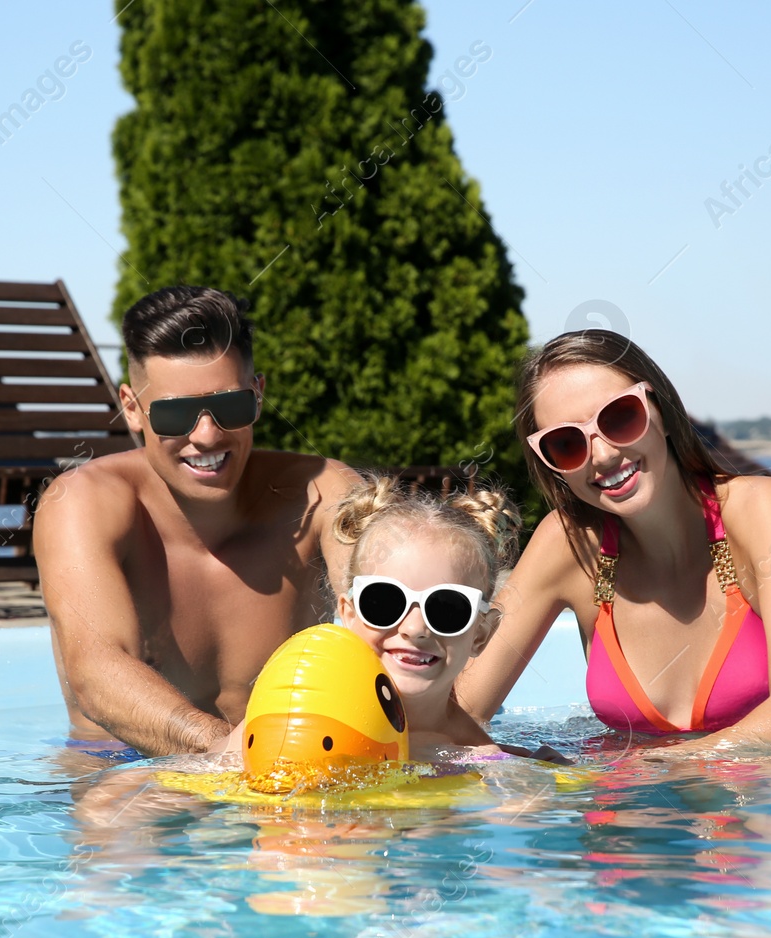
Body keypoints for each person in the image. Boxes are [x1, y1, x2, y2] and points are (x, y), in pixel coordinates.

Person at [454, 329, 771, 754]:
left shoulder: (758, 510)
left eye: (619, 417)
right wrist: (520, 768)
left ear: (662, 410)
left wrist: (652, 769)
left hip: (763, 810)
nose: (601, 455)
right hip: (625, 814)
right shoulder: (569, 545)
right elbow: (458, 713)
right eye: (566, 444)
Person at [34, 285, 357, 757]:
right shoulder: (84, 503)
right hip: (124, 767)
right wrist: (228, 750)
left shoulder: (323, 493)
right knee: (115, 821)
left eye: (229, 408)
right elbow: (97, 670)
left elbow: (391, 625)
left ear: (258, 396)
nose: (206, 435)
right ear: (131, 408)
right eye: (175, 413)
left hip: (291, 761)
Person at [319, 475, 567, 763]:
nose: (415, 629)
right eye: (385, 601)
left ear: (480, 634)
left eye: (447, 608)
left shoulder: (488, 769)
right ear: (349, 615)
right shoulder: (298, 713)